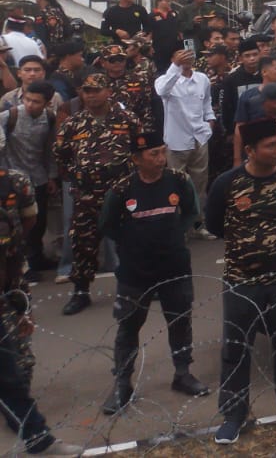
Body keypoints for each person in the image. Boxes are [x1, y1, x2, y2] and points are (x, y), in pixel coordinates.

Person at [206, 117, 276, 443]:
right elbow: (214, 225)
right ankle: (234, 414)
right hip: (243, 279)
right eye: (271, 145)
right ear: (251, 150)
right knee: (237, 348)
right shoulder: (227, 183)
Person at [98, 131, 209, 415]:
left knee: (180, 322)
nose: (161, 159)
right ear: (136, 159)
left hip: (174, 266)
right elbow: (108, 225)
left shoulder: (179, 181)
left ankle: (182, 373)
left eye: (163, 152)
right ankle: (123, 384)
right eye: (154, 154)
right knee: (128, 327)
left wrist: (172, 236)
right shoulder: (122, 189)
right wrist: (134, 241)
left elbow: (191, 213)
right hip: (135, 272)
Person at [0, 160, 77, 454]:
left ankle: (38, 439)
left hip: (8, 289)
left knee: (11, 372)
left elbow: (26, 227)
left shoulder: (14, 184)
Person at [53, 73, 138, 315]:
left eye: (96, 90)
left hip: (121, 193)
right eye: (87, 90)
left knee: (131, 242)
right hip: (86, 195)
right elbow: (61, 154)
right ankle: (81, 293)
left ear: (108, 91)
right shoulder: (73, 123)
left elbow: (140, 149)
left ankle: (137, 288)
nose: (91, 95)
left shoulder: (127, 119)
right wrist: (79, 174)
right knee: (83, 243)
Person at [1, 84, 56, 282]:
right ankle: (21, 267)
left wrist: (51, 176)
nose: (30, 104)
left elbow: (50, 150)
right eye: (27, 99)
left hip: (38, 178)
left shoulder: (49, 118)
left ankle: (37, 258)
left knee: (38, 223)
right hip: (13, 182)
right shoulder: (10, 116)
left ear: (47, 103)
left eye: (36, 101)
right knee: (17, 225)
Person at [155, 48, 215, 221]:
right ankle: (177, 228)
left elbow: (207, 103)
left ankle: (198, 225)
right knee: (175, 186)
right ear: (173, 59)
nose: (186, 58)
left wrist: (209, 122)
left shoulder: (202, 79)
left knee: (200, 185)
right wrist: (176, 66)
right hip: (176, 141)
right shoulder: (164, 80)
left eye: (189, 55)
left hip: (200, 137)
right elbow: (162, 91)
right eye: (181, 56)